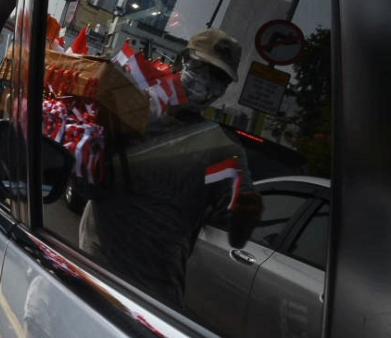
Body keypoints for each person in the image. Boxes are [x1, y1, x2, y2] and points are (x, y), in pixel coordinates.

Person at [78, 28, 262, 307]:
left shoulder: (223, 150)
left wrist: (246, 213)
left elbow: (237, 234)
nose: (209, 83)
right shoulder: (129, 108)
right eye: (204, 69)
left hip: (155, 296)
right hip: (95, 271)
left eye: (220, 78)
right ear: (181, 62)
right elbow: (84, 183)